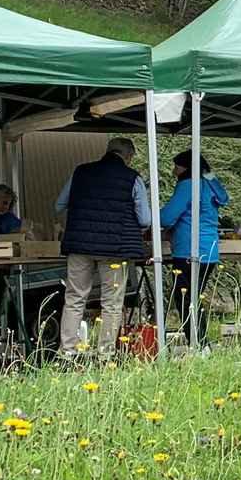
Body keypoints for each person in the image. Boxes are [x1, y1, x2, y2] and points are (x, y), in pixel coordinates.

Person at [56, 138, 152, 355]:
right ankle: (105, 352)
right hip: (115, 248)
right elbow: (145, 219)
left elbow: (59, 205)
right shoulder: (133, 179)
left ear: (107, 151)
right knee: (111, 301)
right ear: (128, 156)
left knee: (74, 297)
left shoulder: (80, 172)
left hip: (79, 246)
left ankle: (68, 351)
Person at [162, 150, 230, 344]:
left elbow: (167, 217)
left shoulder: (187, 185)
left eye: (177, 167)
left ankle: (197, 342)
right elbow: (224, 198)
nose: (174, 172)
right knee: (195, 297)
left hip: (188, 250)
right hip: (210, 251)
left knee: (185, 299)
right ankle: (201, 341)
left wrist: (150, 218)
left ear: (187, 167)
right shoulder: (211, 185)